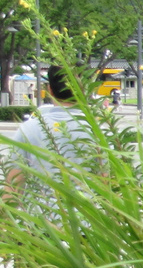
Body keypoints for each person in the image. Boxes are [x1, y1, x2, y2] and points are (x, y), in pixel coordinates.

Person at [4, 63, 91, 204]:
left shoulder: (29, 128)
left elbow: (14, 186)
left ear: (50, 89)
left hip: (44, 220)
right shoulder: (96, 131)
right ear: (82, 88)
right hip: (92, 221)